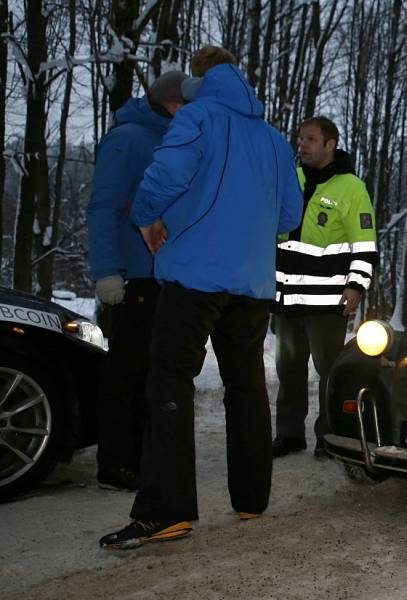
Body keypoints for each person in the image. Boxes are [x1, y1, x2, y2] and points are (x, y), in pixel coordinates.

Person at [99, 48, 302, 549]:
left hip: (194, 277)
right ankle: (252, 499)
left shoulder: (198, 117)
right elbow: (289, 215)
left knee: (169, 381)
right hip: (251, 285)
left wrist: (148, 218)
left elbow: (164, 178)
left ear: (199, 81)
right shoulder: (275, 139)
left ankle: (166, 511)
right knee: (247, 385)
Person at [86, 71, 187, 491]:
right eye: (185, 105)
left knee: (153, 370)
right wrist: (107, 270)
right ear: (168, 103)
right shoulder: (127, 138)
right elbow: (103, 206)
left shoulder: (178, 138)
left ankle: (144, 455)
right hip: (133, 277)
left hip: (165, 274)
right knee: (126, 370)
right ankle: (115, 462)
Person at [272, 116, 378, 460]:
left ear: (330, 145)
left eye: (310, 139)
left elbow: (364, 245)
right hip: (286, 297)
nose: (301, 145)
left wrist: (356, 286)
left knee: (329, 371)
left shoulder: (351, 187)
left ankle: (329, 435)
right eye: (300, 138)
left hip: (326, 300)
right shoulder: (293, 178)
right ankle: (289, 435)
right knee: (288, 370)